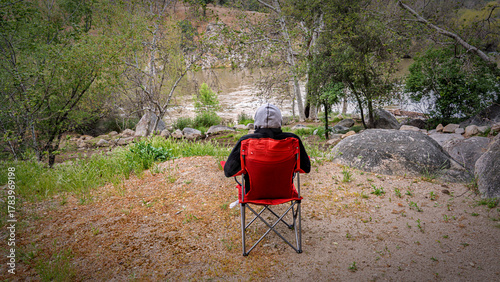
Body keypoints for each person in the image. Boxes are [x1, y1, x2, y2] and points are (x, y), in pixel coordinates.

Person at [224, 104, 311, 190]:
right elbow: (306, 168)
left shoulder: (245, 141)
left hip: (253, 192)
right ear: (279, 121)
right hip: (284, 192)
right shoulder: (293, 140)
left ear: (256, 121)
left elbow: (228, 171)